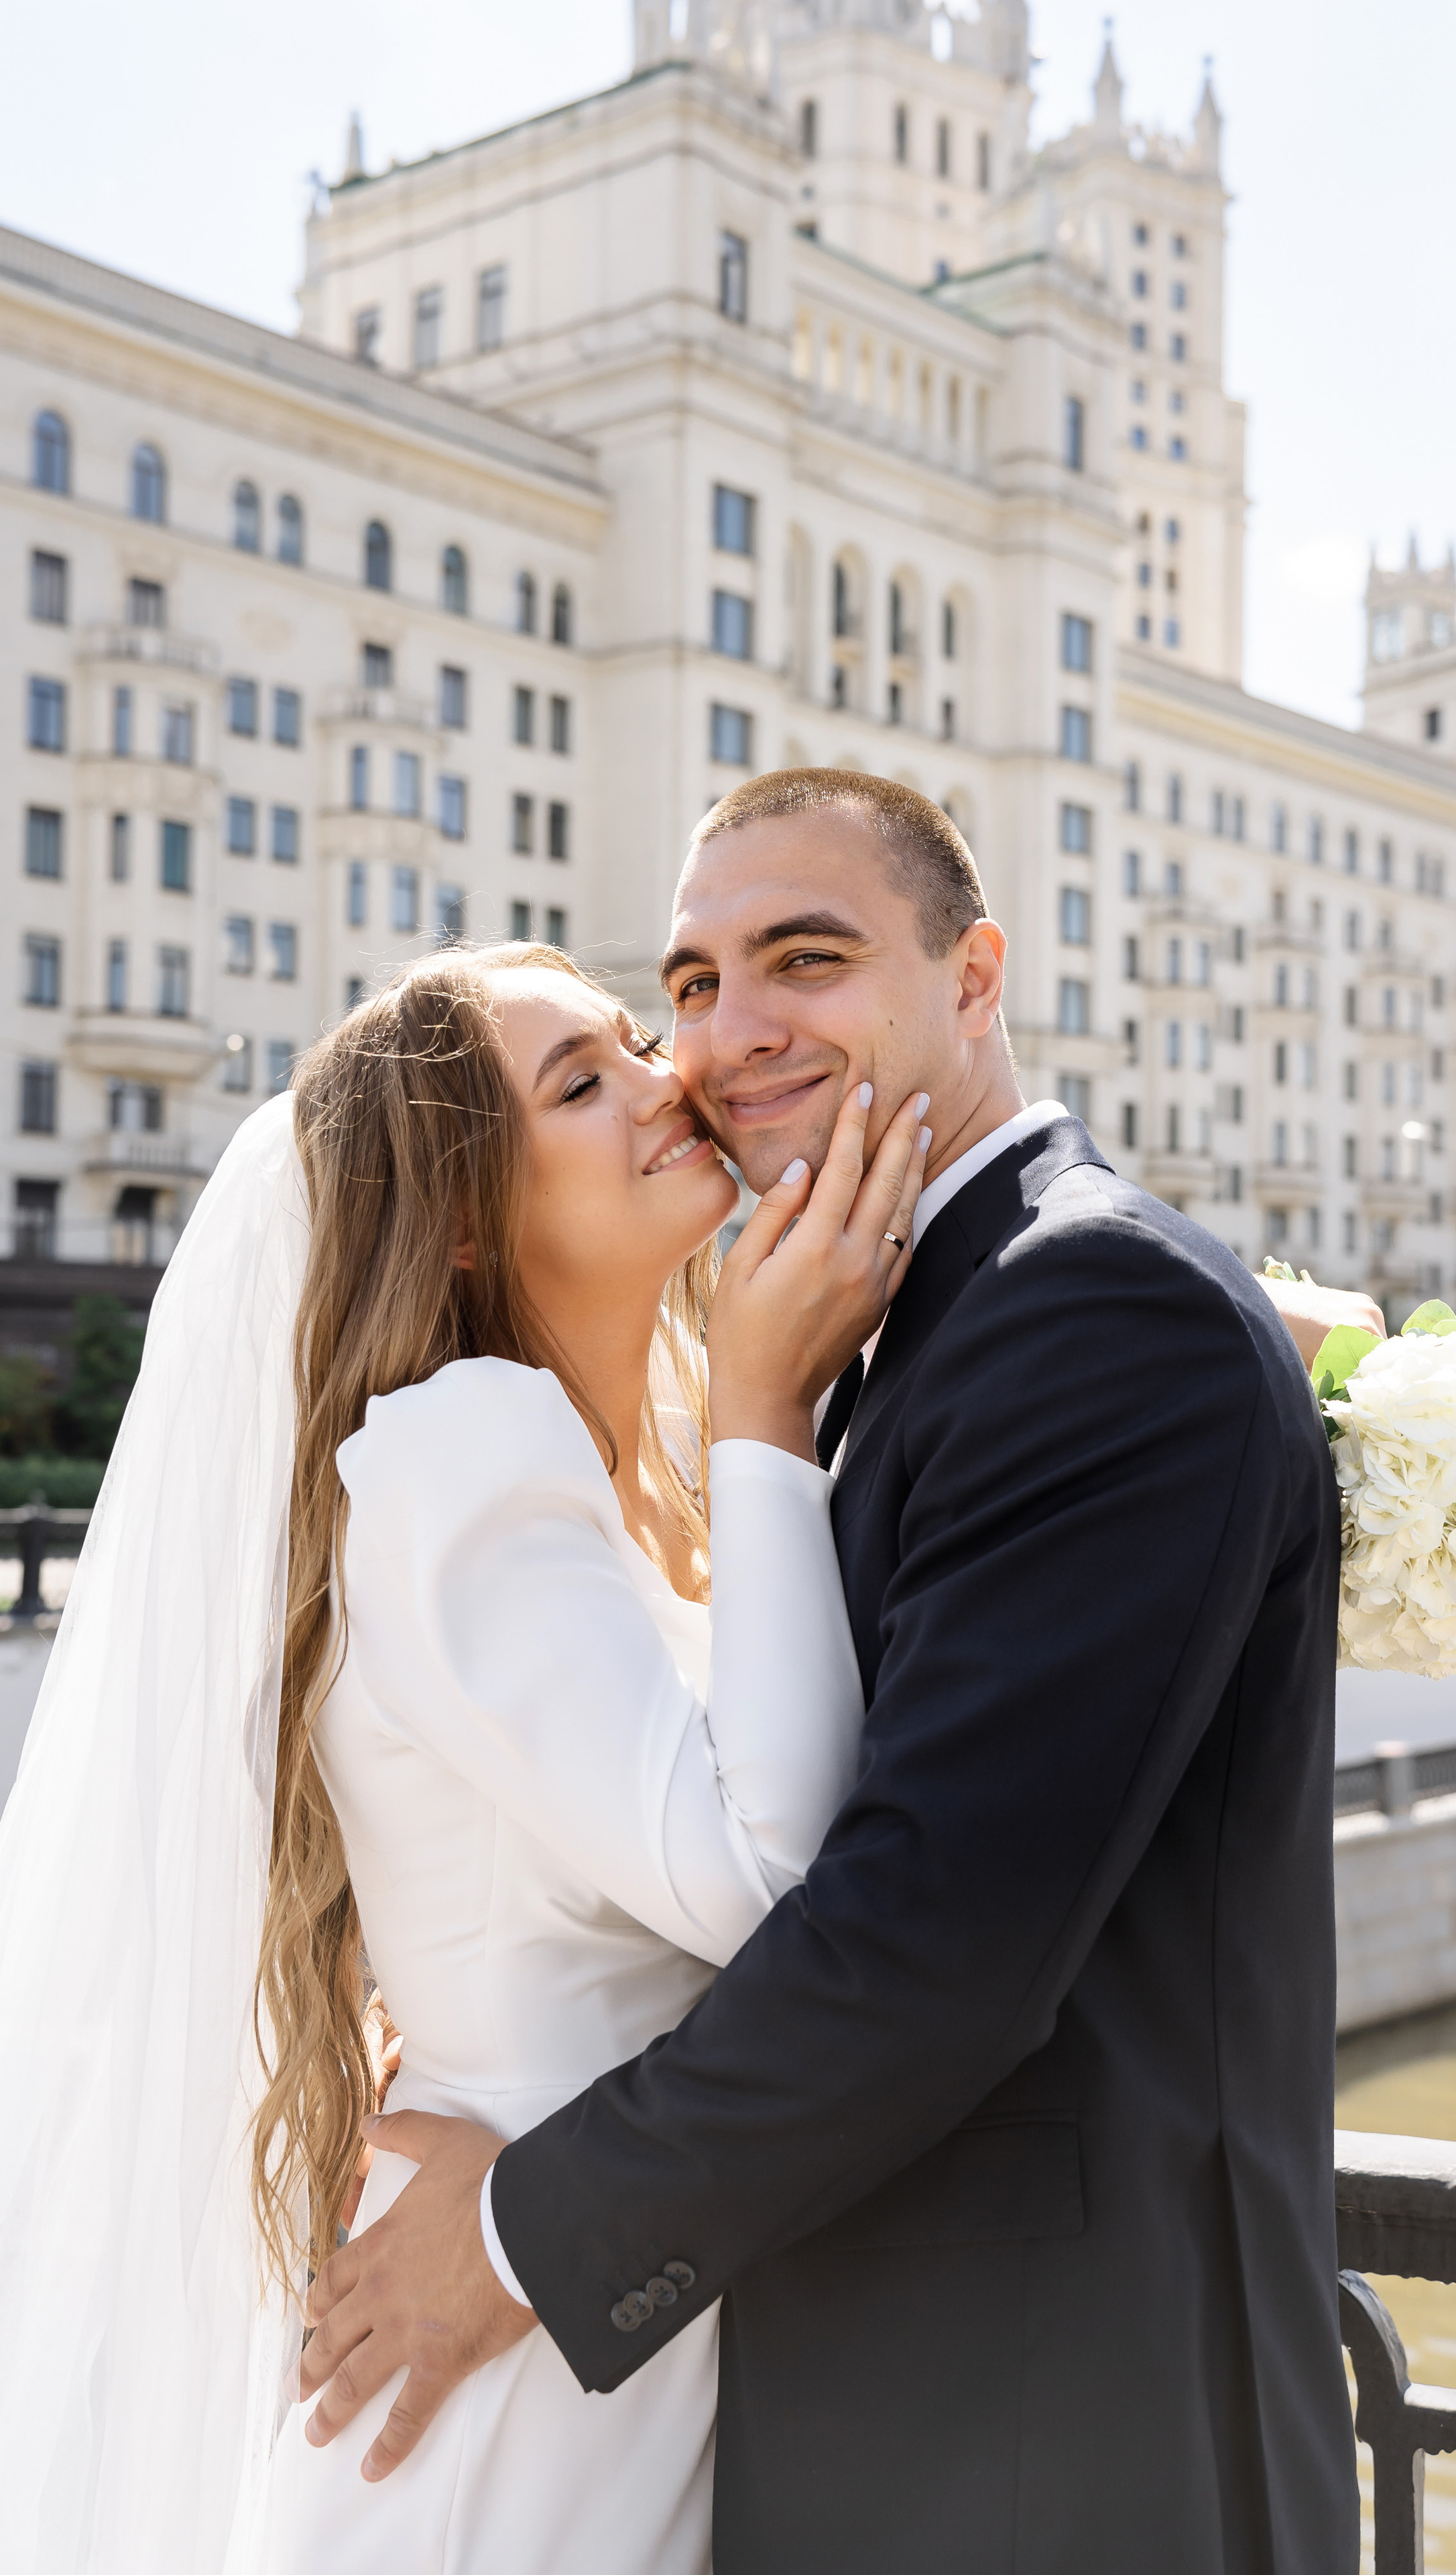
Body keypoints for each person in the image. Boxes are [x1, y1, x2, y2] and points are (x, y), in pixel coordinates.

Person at [299, 776, 1376, 2574]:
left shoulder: (1083, 1312)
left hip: (1048, 2451)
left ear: (975, 978)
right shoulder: (910, 1322)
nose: (724, 1036)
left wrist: (520, 2230)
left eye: (806, 959)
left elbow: (923, 1945)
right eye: (692, 984)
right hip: (893, 2423)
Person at [0, 940, 930, 2575]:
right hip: (507, 2378)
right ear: (459, 1221)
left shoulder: (619, 1469)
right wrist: (768, 1409)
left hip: (605, 2310)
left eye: (631, 1041)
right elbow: (773, 1885)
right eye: (579, 1083)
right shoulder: (462, 1452)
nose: (664, 1080)